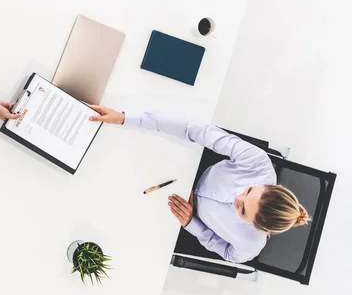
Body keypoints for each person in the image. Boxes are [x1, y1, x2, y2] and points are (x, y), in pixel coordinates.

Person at [89, 105, 310, 263]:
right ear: (269, 186)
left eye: (242, 211)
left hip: (172, 209)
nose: (236, 198)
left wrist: (192, 224)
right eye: (248, 190)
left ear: (258, 228)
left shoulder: (251, 244)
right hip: (187, 166)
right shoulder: (258, 163)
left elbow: (229, 254)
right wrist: (126, 118)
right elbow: (195, 130)